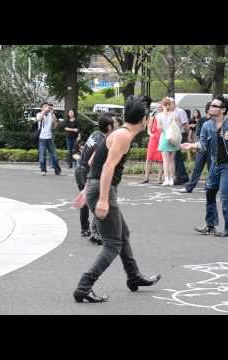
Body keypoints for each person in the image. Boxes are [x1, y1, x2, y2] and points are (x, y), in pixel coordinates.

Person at [72, 96, 161, 303]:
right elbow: (107, 166)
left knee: (123, 233)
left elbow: (94, 159)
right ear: (144, 119)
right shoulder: (123, 136)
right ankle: (84, 286)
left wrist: (87, 189)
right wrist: (102, 198)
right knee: (112, 243)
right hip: (104, 189)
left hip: (98, 186)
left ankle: (134, 276)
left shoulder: (118, 133)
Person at [181, 95, 228, 237]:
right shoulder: (207, 125)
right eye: (211, 105)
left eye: (215, 106)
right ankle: (210, 225)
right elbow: (203, 144)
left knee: (225, 196)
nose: (211, 107)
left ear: (223, 109)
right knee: (209, 193)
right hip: (214, 164)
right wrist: (192, 145)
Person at [74, 112, 116, 245]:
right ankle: (95, 233)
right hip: (87, 171)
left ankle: (85, 229)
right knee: (99, 201)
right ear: (109, 127)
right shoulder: (103, 141)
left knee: (86, 200)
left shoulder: (95, 134)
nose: (117, 125)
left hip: (79, 168)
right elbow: (92, 162)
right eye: (115, 123)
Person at [181, 103, 212, 193]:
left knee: (211, 168)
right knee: (197, 167)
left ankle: (208, 186)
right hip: (202, 146)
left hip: (212, 147)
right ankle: (189, 187)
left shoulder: (215, 121)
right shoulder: (202, 120)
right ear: (208, 110)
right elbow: (198, 133)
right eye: (212, 107)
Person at [157, 97, 180, 186]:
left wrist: (166, 130)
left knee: (165, 161)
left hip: (164, 137)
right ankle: (171, 179)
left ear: (163, 105)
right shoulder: (174, 114)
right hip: (173, 137)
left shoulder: (159, 115)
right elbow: (177, 125)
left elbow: (159, 127)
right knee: (171, 160)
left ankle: (166, 179)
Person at [36, 102, 62, 176]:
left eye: (47, 106)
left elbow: (55, 124)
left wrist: (52, 113)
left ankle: (57, 170)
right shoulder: (39, 114)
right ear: (41, 108)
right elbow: (39, 119)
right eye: (44, 106)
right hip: (42, 138)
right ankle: (43, 170)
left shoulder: (51, 114)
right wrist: (44, 111)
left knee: (54, 156)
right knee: (42, 155)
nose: (47, 107)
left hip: (50, 138)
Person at [170, 99, 190, 185]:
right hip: (171, 135)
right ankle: (182, 175)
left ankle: (181, 176)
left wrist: (188, 134)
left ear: (173, 103)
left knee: (176, 156)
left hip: (179, 134)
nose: (168, 106)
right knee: (175, 156)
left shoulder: (180, 111)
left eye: (169, 104)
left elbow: (185, 124)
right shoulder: (170, 112)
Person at [142, 103, 164, 184]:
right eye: (158, 108)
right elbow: (148, 129)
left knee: (161, 159)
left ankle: (159, 178)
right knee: (149, 158)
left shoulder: (164, 117)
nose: (159, 109)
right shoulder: (153, 117)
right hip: (153, 139)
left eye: (161, 108)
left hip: (161, 138)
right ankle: (146, 177)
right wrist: (151, 135)